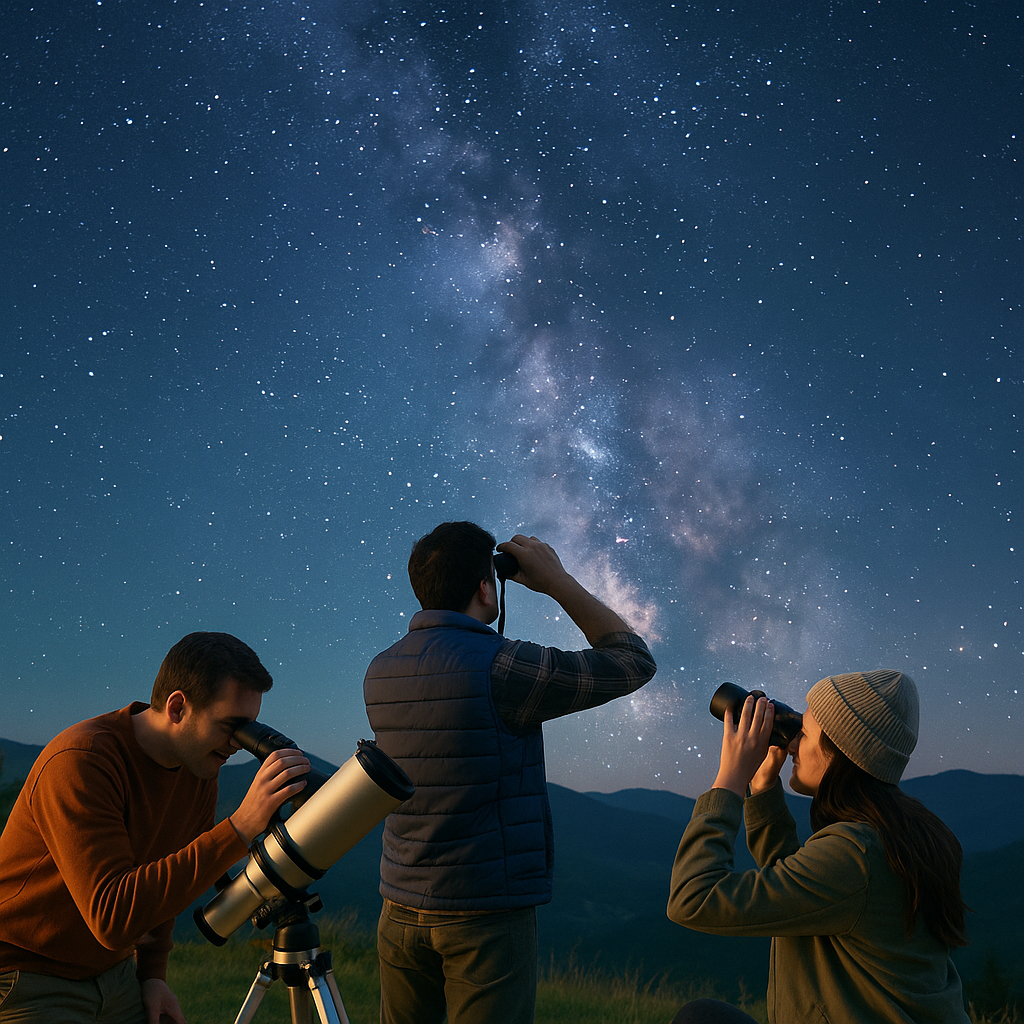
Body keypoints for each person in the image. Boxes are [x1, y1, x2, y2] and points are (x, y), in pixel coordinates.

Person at [363, 522, 657, 1024]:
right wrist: (557, 581)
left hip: (399, 903)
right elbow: (633, 661)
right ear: (486, 587)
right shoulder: (504, 667)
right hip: (484, 914)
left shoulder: (380, 669)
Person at [0, 631, 311, 1024]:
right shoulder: (82, 760)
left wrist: (152, 976)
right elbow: (113, 917)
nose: (238, 743)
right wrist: (240, 827)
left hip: (114, 974)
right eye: (230, 725)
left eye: (248, 727)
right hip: (26, 975)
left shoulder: (197, 770)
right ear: (177, 707)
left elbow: (166, 879)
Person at [666, 670, 970, 1024]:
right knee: (705, 1015)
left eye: (804, 732)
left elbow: (693, 898)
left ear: (842, 752)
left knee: (698, 1018)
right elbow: (799, 895)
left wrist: (730, 780)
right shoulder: (896, 833)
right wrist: (762, 787)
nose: (792, 743)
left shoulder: (856, 854)